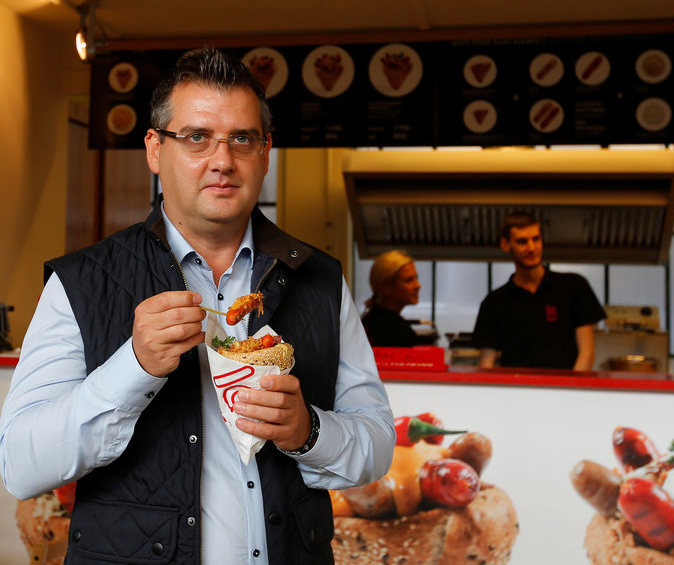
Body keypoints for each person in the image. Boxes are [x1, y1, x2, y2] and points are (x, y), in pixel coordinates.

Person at [0, 47, 395, 564]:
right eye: (196, 137)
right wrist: (133, 365)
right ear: (154, 150)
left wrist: (308, 431)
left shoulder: (317, 279)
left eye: (242, 138)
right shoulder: (82, 281)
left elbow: (377, 444)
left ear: (265, 152)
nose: (223, 160)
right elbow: (21, 467)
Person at [472, 211, 606, 370]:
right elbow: (487, 363)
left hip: (565, 391)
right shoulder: (494, 302)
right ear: (506, 245)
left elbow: (587, 353)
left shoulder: (574, 286)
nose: (531, 248)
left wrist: (569, 391)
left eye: (536, 239)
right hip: (516, 392)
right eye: (522, 241)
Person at [361, 250, 424, 347]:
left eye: (416, 278)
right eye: (409, 280)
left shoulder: (368, 319)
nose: (418, 285)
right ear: (386, 287)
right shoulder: (396, 330)